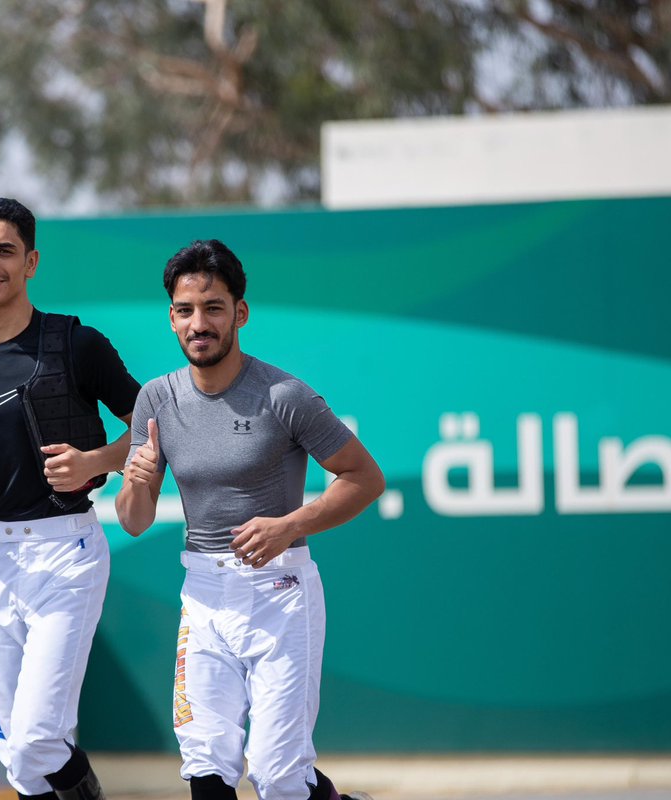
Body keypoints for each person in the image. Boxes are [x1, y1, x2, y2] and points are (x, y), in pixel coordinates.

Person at [115, 239, 385, 800]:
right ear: (171, 319)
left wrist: (290, 525)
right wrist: (136, 482)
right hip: (202, 596)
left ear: (240, 313)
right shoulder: (155, 400)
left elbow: (364, 478)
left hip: (280, 594)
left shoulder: (284, 395)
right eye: (186, 310)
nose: (199, 324)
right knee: (205, 764)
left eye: (213, 308)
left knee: (278, 774)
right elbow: (134, 521)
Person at [0, 197, 140, 800]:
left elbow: (151, 427)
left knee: (38, 738)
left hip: (67, 553)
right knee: (18, 755)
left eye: (5, 251)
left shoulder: (77, 344)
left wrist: (95, 462)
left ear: (31, 262)